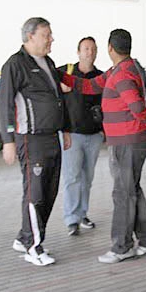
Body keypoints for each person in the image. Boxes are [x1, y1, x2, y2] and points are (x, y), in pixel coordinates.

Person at [61, 29, 146, 264]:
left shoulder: (122, 74)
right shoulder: (121, 69)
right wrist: (61, 76)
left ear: (109, 48)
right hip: (128, 140)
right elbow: (90, 86)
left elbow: (137, 107)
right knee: (132, 189)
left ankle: (122, 247)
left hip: (128, 141)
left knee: (122, 194)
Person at [0, 17, 71, 267]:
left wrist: (66, 128)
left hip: (52, 136)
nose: (51, 39)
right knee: (35, 192)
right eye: (46, 34)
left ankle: (24, 236)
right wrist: (7, 140)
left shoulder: (48, 62)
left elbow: (59, 97)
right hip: (30, 138)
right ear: (30, 36)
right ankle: (33, 246)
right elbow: (4, 103)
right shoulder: (15, 65)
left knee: (49, 191)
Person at [57, 37, 103, 236]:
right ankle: (71, 219)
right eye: (85, 48)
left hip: (94, 135)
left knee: (87, 177)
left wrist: (103, 130)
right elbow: (51, 97)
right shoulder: (65, 73)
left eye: (92, 49)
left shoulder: (100, 76)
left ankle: (82, 213)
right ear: (78, 52)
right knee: (72, 177)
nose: (89, 52)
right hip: (71, 134)